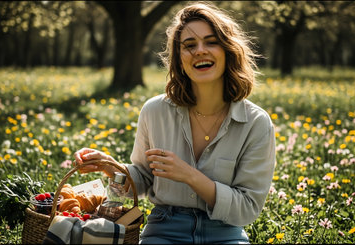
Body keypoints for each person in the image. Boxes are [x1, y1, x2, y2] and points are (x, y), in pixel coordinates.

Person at [74, 2, 276, 244]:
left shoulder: (255, 123)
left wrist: (190, 176)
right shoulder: (155, 111)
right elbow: (144, 178)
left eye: (211, 42)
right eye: (190, 46)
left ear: (228, 50)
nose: (200, 50)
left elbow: (248, 207)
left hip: (225, 232)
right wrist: (114, 169)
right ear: (180, 59)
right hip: (164, 229)